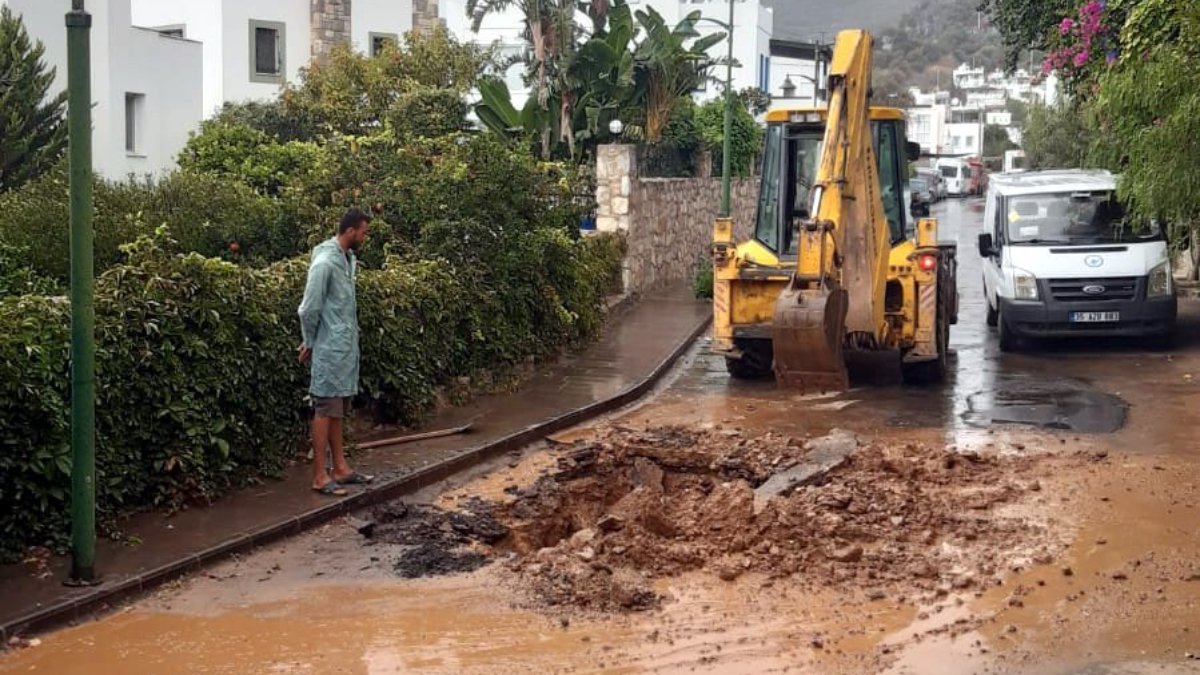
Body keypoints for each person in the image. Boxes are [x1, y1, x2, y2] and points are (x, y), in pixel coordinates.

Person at [298, 208, 375, 496]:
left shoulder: (347, 259)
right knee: (324, 409)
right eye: (364, 232)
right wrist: (309, 341)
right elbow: (309, 308)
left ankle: (340, 468)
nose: (365, 238)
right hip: (330, 350)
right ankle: (319, 475)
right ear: (351, 230)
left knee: (338, 410)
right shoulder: (325, 263)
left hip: (344, 351)